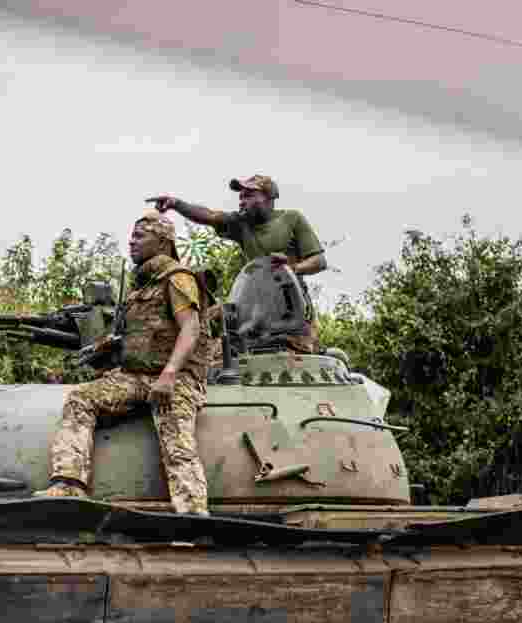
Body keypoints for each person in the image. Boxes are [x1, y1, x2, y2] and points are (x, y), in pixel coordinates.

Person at [35, 210, 214, 515]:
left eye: (139, 236)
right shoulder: (140, 288)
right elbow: (139, 336)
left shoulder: (178, 278)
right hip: (135, 376)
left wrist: (169, 374)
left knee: (177, 442)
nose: (131, 242)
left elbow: (191, 327)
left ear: (163, 242)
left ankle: (193, 515)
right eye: (131, 236)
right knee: (81, 399)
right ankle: (69, 482)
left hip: (176, 377)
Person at [148, 174, 328, 353]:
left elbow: (319, 261)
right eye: (240, 197)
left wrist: (291, 268)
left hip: (291, 309)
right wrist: (176, 204)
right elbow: (210, 216)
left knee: (289, 360)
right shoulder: (241, 223)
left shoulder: (292, 219)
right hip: (254, 309)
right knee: (220, 354)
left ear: (268, 197)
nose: (242, 201)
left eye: (248, 196)